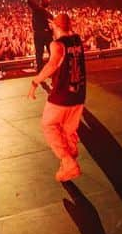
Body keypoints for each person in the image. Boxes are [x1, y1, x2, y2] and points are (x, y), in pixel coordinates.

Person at [27, 13, 87, 182]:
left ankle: (67, 162)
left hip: (62, 95)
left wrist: (35, 82)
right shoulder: (77, 40)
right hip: (79, 94)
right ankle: (70, 155)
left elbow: (52, 64)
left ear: (56, 26)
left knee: (49, 125)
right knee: (68, 130)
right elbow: (68, 30)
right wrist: (60, 24)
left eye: (53, 26)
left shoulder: (57, 45)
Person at [19, 0, 53, 71]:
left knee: (39, 53)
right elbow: (53, 25)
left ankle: (40, 70)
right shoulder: (49, 15)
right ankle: (53, 68)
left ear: (41, 3)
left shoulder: (37, 9)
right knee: (51, 52)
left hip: (38, 34)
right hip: (48, 34)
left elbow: (30, 0)